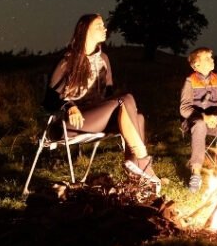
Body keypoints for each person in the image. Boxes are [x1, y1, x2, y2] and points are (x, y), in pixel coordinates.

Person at [44, 13, 161, 194]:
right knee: (126, 99)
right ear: (85, 30)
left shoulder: (103, 59)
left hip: (96, 117)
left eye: (104, 25)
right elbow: (49, 100)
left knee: (138, 117)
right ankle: (142, 163)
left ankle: (136, 177)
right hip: (70, 124)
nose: (105, 29)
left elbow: (108, 96)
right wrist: (69, 106)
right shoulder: (68, 61)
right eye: (99, 26)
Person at [180, 46, 217, 192]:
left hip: (212, 122)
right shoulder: (190, 81)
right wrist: (204, 117)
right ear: (196, 65)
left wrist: (215, 117)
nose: (212, 60)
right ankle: (196, 173)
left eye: (211, 57)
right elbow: (184, 109)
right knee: (199, 125)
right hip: (193, 122)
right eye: (207, 58)